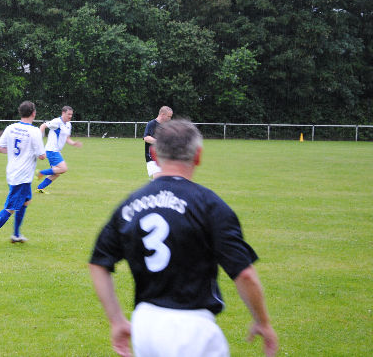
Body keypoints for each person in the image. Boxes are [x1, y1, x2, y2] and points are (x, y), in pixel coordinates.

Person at [89, 119, 278, 357]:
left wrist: (117, 320)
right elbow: (245, 275)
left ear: (155, 155)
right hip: (192, 329)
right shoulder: (209, 204)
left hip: (145, 326)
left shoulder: (130, 204)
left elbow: (98, 263)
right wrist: (263, 322)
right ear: (198, 156)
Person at [0, 101, 46, 249]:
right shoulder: (35, 131)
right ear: (33, 113)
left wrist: (17, 154)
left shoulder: (11, 128)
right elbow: (42, 156)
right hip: (22, 177)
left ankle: (16, 234)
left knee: (26, 201)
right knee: (10, 208)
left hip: (13, 173)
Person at [35, 106, 82, 194]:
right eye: (68, 114)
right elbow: (43, 126)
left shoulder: (68, 125)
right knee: (63, 168)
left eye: (71, 114)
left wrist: (74, 143)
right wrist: (38, 139)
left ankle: (40, 188)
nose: (70, 116)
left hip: (56, 151)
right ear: (63, 113)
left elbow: (67, 138)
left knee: (56, 173)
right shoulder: (57, 121)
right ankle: (41, 173)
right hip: (52, 150)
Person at [143, 106, 172, 179]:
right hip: (152, 158)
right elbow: (146, 138)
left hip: (165, 157)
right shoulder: (151, 124)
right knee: (158, 180)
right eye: (168, 116)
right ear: (162, 114)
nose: (170, 119)